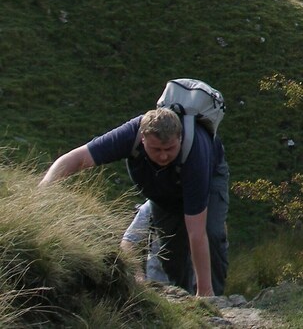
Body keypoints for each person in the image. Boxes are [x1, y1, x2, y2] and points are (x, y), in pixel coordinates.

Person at [41, 107, 229, 296]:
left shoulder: (196, 153)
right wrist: (42, 192)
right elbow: (75, 158)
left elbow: (196, 232)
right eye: (156, 149)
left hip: (208, 178)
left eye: (169, 149)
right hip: (162, 190)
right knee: (171, 250)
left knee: (211, 232)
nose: (163, 156)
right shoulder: (129, 134)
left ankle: (212, 297)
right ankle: (183, 297)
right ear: (143, 138)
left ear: (180, 138)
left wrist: (205, 292)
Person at [121, 200, 172, 285]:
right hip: (157, 284)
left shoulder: (200, 203)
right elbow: (128, 241)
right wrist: (138, 274)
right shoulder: (153, 204)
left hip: (195, 286)